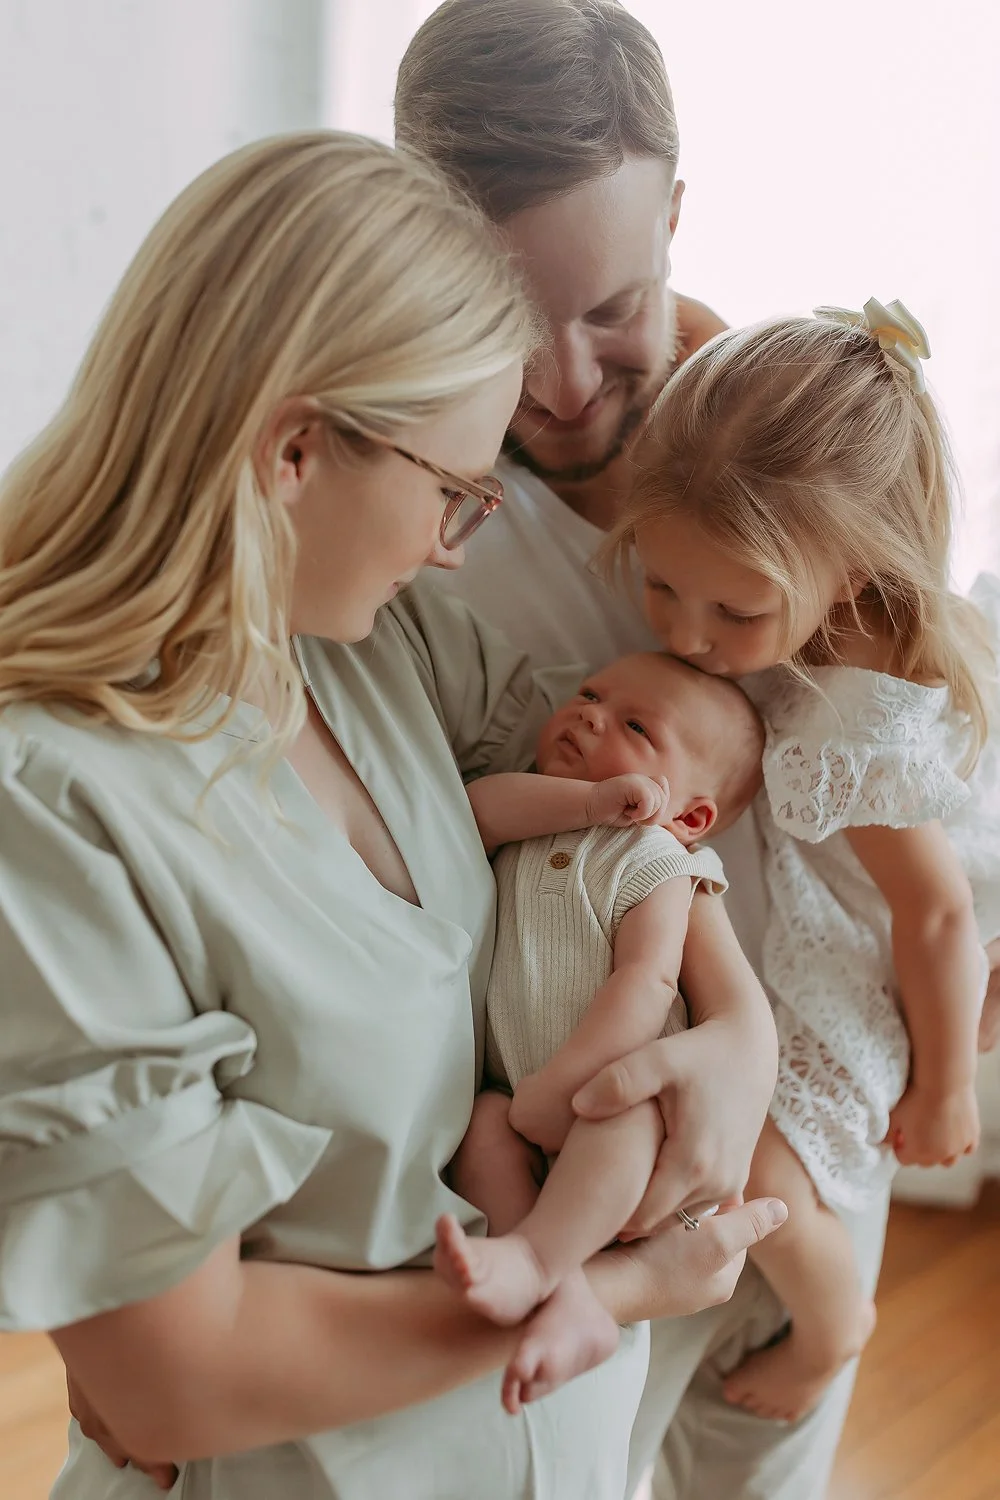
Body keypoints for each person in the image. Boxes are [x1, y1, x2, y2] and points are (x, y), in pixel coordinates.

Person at [0, 131, 786, 1500]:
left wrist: (739, 1028)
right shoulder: (56, 812)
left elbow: (662, 779)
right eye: (453, 493)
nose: (452, 546)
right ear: (297, 451)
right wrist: (614, 1281)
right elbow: (171, 1377)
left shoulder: (374, 653)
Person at [396, 2, 999, 1494]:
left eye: (613, 305)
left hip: (799, 1123)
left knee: (759, 1451)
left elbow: (924, 713)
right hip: (572, 1125)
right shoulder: (403, 491)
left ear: (675, 212)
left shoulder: (792, 444)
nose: (566, 381)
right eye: (499, 305)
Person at [610, 299, 1000, 1423]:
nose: (687, 635)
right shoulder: (806, 561)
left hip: (886, 966)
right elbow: (770, 433)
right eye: (660, 586)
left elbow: (928, 919)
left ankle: (833, 1328)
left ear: (853, 569)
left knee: (756, 1157)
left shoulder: (847, 713)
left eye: (734, 609)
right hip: (860, 924)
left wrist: (940, 1090)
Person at [436, 654, 766, 1412]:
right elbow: (474, 808)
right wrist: (586, 803)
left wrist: (570, 1082)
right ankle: (549, 1280)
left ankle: (543, 1260)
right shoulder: (532, 822)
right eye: (588, 695)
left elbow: (646, 982)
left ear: (689, 817)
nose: (589, 715)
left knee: (626, 1118)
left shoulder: (658, 863)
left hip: (621, 1110)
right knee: (485, 1125)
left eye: (636, 726)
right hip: (522, 1106)